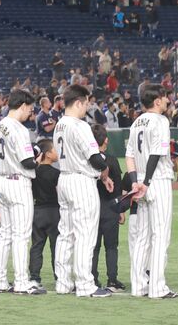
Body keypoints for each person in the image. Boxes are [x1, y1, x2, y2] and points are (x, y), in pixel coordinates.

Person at [52, 84, 112, 298]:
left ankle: (63, 282)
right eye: (86, 103)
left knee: (65, 233)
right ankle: (86, 284)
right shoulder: (80, 125)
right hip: (81, 182)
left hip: (64, 179)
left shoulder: (59, 124)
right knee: (85, 234)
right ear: (78, 102)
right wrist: (105, 169)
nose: (87, 107)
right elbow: (94, 158)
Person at [125, 82, 175, 298]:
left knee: (143, 237)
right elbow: (156, 153)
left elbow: (128, 156)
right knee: (160, 235)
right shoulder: (160, 120)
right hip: (157, 181)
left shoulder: (137, 121)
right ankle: (157, 287)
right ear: (157, 100)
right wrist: (147, 181)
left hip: (141, 182)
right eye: (165, 97)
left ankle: (139, 286)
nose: (167, 100)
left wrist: (135, 181)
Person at [0, 88, 42, 294]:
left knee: (5, 234)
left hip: (2, 181)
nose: (30, 113)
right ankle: (21, 282)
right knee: (21, 235)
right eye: (29, 109)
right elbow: (28, 162)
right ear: (22, 106)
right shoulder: (19, 129)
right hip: (18, 182)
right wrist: (38, 158)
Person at [90, 123, 124, 293]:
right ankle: (112, 280)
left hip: (93, 207)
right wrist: (121, 210)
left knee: (93, 246)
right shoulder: (111, 160)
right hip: (111, 207)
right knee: (111, 246)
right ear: (106, 140)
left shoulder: (88, 160)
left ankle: (93, 279)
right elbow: (117, 186)